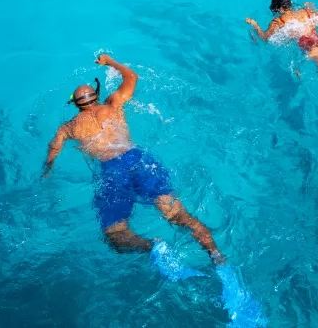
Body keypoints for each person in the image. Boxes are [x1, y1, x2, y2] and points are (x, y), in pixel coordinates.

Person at [43, 54, 225, 265]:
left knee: (115, 235)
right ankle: (215, 253)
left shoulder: (69, 127)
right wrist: (109, 61)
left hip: (112, 170)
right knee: (178, 215)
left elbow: (53, 147)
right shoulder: (112, 104)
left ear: (75, 105)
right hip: (138, 159)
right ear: (97, 95)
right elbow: (132, 77)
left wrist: (47, 169)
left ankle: (152, 247)